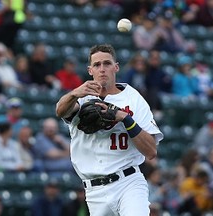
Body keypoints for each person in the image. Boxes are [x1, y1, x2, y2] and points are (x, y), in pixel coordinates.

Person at [55, 44, 164, 216]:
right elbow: (60, 111)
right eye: (97, 65)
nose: (102, 69)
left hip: (128, 183)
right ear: (90, 70)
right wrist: (74, 93)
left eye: (107, 63)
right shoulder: (82, 98)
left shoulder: (134, 99)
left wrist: (126, 119)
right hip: (94, 192)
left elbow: (150, 151)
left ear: (116, 67)